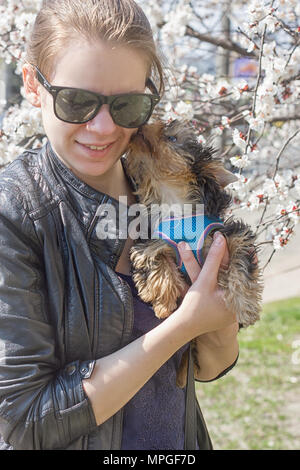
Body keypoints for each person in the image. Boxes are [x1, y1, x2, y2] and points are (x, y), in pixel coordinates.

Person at [0, 0, 239, 450]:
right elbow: (24, 420)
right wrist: (183, 326)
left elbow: (207, 367)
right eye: (77, 101)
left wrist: (219, 323)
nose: (104, 127)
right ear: (33, 85)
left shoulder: (168, 192)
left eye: (127, 105)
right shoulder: (14, 213)